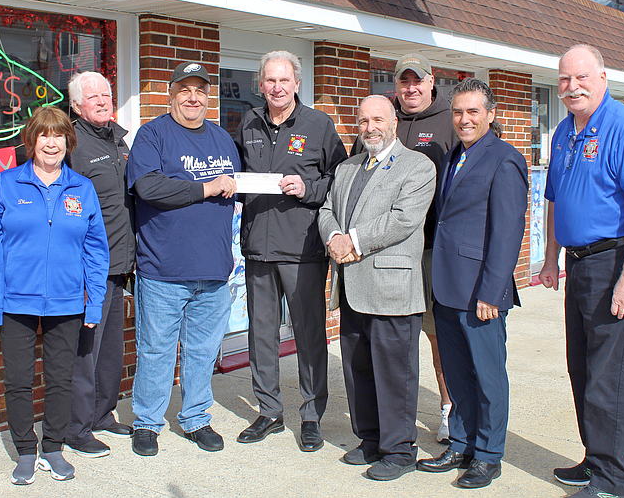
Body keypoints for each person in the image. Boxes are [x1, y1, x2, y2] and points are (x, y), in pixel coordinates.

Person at [538, 45, 624, 498]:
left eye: (581, 77)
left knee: (611, 376)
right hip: (578, 266)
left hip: (615, 263)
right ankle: (595, 460)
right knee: (583, 370)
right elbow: (554, 199)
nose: (572, 87)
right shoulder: (563, 131)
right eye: (564, 79)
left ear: (603, 78)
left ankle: (614, 482)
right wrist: (551, 257)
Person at [0, 106, 110, 484]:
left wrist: (94, 300)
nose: (51, 143)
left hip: (68, 302)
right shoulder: (7, 184)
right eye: (43, 135)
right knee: (18, 379)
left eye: (58, 136)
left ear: (68, 142)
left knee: (60, 379)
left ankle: (53, 446)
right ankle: (25, 448)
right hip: (16, 301)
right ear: (31, 140)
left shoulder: (81, 188)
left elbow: (96, 249)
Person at [234, 50, 347, 452]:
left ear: (297, 83)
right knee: (261, 335)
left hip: (302, 249)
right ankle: (268, 411)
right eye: (270, 80)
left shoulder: (318, 124)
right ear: (261, 85)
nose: (277, 87)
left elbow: (341, 177)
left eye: (285, 80)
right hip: (258, 249)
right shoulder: (249, 121)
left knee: (309, 335)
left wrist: (308, 189)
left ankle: (312, 415)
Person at [318, 95, 436, 481]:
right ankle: (369, 440)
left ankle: (400, 451)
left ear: (394, 123)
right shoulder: (348, 167)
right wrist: (333, 234)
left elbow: (403, 220)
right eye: (364, 120)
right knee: (358, 370)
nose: (370, 127)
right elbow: (326, 210)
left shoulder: (418, 166)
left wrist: (351, 240)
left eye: (378, 119)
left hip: (392, 289)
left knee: (394, 375)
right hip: (352, 286)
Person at [417, 78, 528, 489]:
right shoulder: (452, 158)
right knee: (459, 374)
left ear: (491, 114)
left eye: (473, 112)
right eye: (458, 112)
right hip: (446, 287)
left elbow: (507, 232)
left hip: (480, 291)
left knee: (487, 375)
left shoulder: (505, 159)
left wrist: (492, 292)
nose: (464, 119)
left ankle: (488, 454)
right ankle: (461, 444)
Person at [126, 61, 240, 457]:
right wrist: (206, 188)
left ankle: (196, 419)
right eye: (185, 90)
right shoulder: (152, 135)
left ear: (208, 97)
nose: (193, 98)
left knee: (202, 352)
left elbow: (237, 188)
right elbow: (148, 186)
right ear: (171, 94)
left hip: (213, 271)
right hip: (163, 270)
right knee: (156, 350)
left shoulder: (223, 138)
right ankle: (147, 423)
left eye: (200, 91)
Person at [351, 53, 456, 442]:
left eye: (417, 81)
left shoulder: (449, 121)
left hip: (431, 251)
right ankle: (388, 423)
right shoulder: (380, 122)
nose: (410, 89)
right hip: (381, 254)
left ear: (431, 83)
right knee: (392, 343)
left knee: (438, 336)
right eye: (403, 82)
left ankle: (449, 410)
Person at [64, 71, 136, 457]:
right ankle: (76, 428)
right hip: (87, 268)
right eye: (92, 96)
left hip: (119, 265)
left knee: (110, 347)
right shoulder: (73, 146)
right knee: (84, 351)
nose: (102, 100)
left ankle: (102, 413)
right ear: (76, 106)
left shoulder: (120, 142)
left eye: (107, 94)